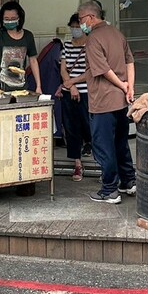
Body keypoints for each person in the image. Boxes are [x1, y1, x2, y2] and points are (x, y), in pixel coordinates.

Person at [71, 0, 136, 203]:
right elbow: (130, 62)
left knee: (103, 146)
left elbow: (104, 71)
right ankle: (129, 182)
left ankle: (110, 190)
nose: (80, 25)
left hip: (103, 102)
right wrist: (129, 87)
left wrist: (122, 85)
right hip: (121, 102)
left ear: (90, 18)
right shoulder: (117, 33)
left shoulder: (93, 39)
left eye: (81, 20)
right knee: (120, 143)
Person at [0, 1, 42, 94]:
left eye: (13, 18)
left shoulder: (28, 36)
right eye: (6, 19)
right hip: (0, 88)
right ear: (2, 19)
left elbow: (33, 61)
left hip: (21, 87)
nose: (10, 21)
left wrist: (38, 86)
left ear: (19, 18)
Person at [59, 12, 92, 181]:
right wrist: (70, 86)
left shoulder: (92, 45)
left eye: (77, 27)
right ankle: (77, 164)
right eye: (72, 27)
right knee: (71, 129)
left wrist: (73, 84)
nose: (74, 30)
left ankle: (102, 163)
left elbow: (91, 72)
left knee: (90, 127)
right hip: (68, 93)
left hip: (87, 93)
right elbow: (63, 68)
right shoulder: (66, 45)